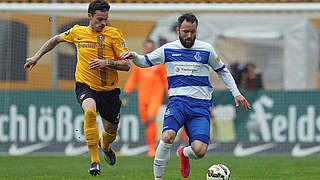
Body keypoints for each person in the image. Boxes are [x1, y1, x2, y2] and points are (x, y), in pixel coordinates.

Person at [120, 13, 251, 179]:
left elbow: (222, 71)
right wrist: (134, 56)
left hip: (200, 107)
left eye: (192, 32)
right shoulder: (168, 49)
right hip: (178, 104)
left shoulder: (206, 49)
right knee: (167, 136)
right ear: (178, 30)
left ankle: (184, 153)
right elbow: (144, 62)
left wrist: (237, 93)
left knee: (200, 151)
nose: (189, 35)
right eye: (185, 31)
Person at [23, 0, 131, 176]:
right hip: (85, 86)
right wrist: (36, 56)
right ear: (90, 17)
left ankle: (105, 146)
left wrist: (106, 63)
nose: (103, 23)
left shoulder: (114, 34)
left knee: (111, 131)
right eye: (100, 19)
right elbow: (55, 39)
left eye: (105, 19)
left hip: (109, 91)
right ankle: (94, 161)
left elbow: (126, 65)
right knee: (89, 111)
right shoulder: (77, 32)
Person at [123, 39, 168, 157]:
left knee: (152, 118)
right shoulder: (139, 64)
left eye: (151, 48)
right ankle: (151, 147)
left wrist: (170, 95)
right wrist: (126, 92)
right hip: (142, 98)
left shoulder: (159, 64)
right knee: (148, 123)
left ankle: (153, 149)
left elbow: (166, 80)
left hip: (155, 97)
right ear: (144, 49)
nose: (149, 50)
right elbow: (133, 79)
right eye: (147, 48)